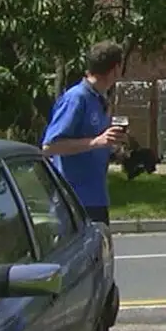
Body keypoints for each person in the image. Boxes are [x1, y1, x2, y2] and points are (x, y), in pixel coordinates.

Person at [41, 41, 126, 224]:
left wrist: (113, 150)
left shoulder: (99, 99)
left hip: (96, 196)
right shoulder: (77, 98)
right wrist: (96, 142)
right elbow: (50, 146)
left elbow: (95, 143)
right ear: (115, 69)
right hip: (74, 199)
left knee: (100, 252)